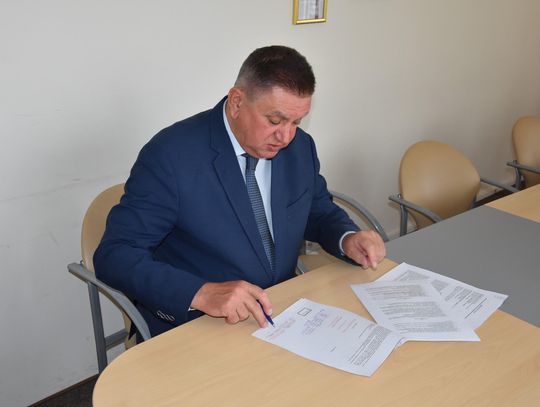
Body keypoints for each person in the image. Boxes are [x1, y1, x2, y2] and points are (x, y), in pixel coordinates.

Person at [94, 45, 385, 338]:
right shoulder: (172, 156)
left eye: (296, 122)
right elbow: (115, 254)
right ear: (236, 102)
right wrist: (200, 293)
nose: (286, 136)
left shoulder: (300, 148)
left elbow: (317, 211)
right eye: (275, 121)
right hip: (199, 324)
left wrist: (347, 237)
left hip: (279, 312)